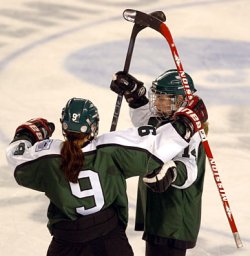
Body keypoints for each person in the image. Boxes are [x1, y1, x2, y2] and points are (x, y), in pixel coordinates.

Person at [6, 96, 207, 256]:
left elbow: (16, 159)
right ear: (94, 127)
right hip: (109, 240)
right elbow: (156, 146)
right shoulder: (111, 149)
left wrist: (27, 134)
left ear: (64, 126)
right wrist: (186, 123)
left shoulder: (47, 156)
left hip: (65, 243)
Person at [110, 69, 209, 256]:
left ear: (180, 101)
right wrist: (135, 95)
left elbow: (190, 168)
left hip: (174, 214)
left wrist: (171, 172)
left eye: (163, 99)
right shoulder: (163, 118)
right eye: (156, 97)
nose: (156, 102)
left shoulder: (192, 133)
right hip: (158, 209)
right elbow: (144, 120)